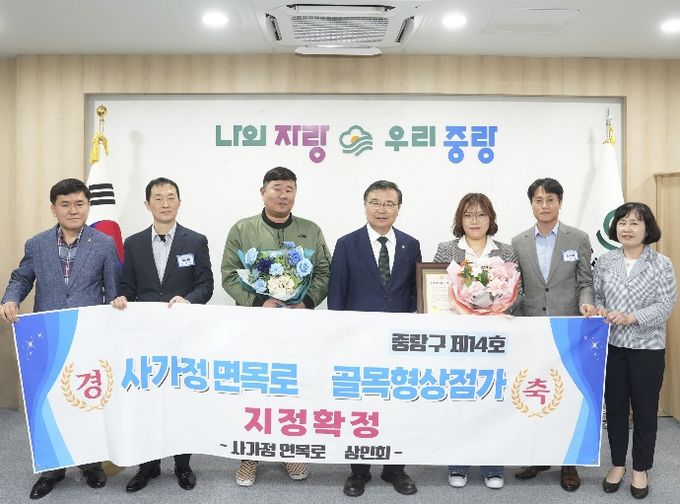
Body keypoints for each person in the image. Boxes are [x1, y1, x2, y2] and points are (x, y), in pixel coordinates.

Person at [0, 178, 119, 500]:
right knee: (49, 403)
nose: (73, 210)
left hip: (87, 336)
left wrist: (117, 319)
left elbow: (114, 291)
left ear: (88, 206)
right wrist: (10, 299)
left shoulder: (104, 244)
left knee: (86, 400)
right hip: (48, 335)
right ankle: (52, 469)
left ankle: (90, 463)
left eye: (79, 203)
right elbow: (22, 277)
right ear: (53, 208)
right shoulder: (36, 244)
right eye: (65, 204)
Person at [221, 166, 331, 486]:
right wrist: (258, 302)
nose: (283, 195)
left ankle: (289, 451)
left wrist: (305, 302)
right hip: (255, 324)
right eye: (277, 188)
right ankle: (249, 456)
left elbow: (324, 271)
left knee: (291, 389)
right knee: (254, 389)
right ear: (263, 192)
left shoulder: (310, 230)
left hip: (296, 326)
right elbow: (229, 274)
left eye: (289, 189)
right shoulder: (243, 229)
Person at [111, 177, 214, 492]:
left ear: (179, 202)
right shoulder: (133, 243)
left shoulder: (195, 241)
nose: (165, 203)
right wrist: (121, 298)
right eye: (158, 198)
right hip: (145, 337)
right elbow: (128, 286)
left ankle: (183, 466)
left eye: (171, 197)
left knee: (181, 400)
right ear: (147, 204)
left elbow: (206, 285)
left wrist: (189, 300)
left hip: (183, 334)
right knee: (147, 400)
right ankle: (148, 466)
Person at [328, 180, 421, 497]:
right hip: (357, 342)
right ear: (365, 205)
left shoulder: (411, 244)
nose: (382, 209)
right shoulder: (346, 244)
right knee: (361, 405)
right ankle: (359, 471)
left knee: (399, 404)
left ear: (398, 208)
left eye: (389, 204)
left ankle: (395, 469)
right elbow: (337, 295)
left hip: (399, 342)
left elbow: (416, 293)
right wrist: (339, 340)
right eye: (376, 203)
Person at [511, 177, 596, 492]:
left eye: (550, 200)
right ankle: (538, 457)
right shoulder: (518, 242)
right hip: (532, 329)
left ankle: (568, 464)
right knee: (536, 394)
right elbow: (515, 287)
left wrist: (586, 304)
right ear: (531, 204)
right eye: (538, 200)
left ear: (560, 203)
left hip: (568, 329)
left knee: (568, 396)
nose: (544, 205)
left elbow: (585, 281)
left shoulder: (579, 238)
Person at [433, 192, 519, 490]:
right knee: (460, 401)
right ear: (460, 219)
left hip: (495, 339)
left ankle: (493, 467)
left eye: (481, 214)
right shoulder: (447, 250)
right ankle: (458, 464)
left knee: (493, 400)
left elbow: (518, 293)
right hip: (458, 339)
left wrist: (494, 308)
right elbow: (436, 289)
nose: (475, 220)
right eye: (468, 215)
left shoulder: (506, 251)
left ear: (490, 219)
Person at [595, 202, 676, 500]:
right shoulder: (605, 261)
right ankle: (618, 464)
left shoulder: (661, 263)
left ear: (647, 228)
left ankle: (641, 468)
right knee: (615, 408)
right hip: (613, 346)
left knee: (644, 410)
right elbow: (598, 296)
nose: (627, 228)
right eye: (622, 222)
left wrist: (632, 317)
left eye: (634, 223)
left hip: (647, 348)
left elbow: (665, 306)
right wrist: (600, 310)